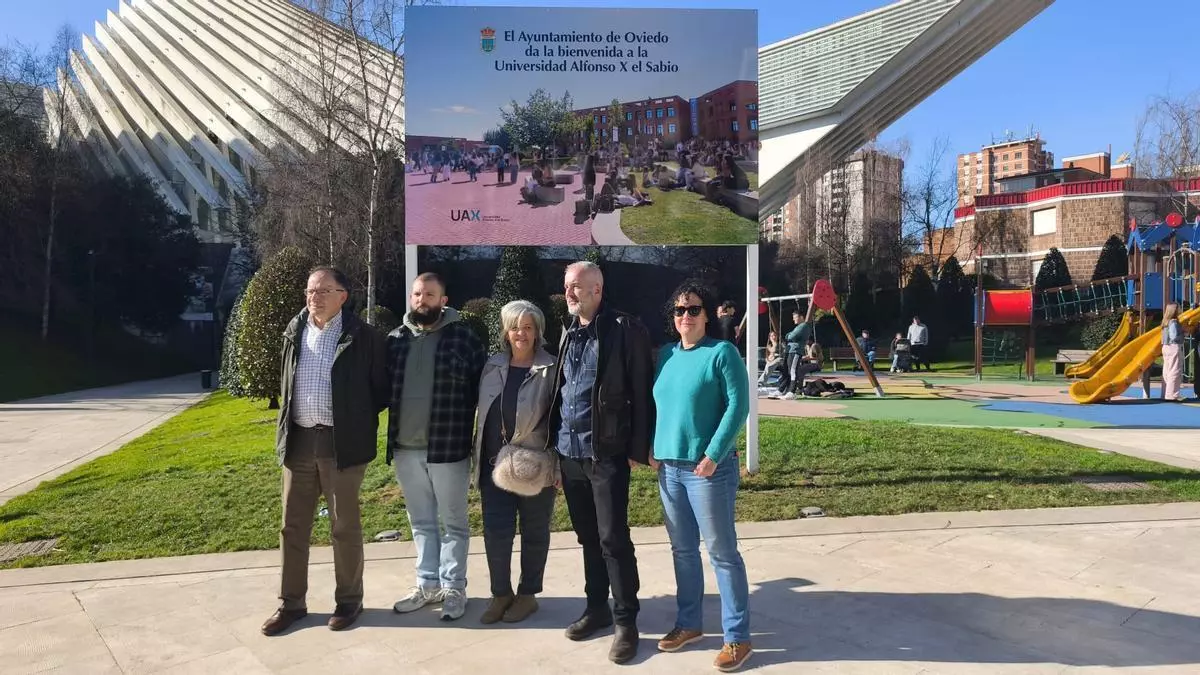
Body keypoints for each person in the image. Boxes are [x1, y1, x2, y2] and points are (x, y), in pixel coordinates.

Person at [262, 267, 388, 636]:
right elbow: (286, 382)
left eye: (322, 290)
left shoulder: (364, 336)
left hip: (341, 443)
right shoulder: (294, 331)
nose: (313, 297)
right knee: (292, 526)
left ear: (342, 296)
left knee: (344, 526)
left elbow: (380, 390)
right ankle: (291, 603)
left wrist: (355, 418)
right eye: (310, 290)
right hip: (298, 441)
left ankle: (349, 601)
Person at [551, 261, 655, 664]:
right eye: (566, 286)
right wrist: (554, 449)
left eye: (576, 286)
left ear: (597, 289)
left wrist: (637, 448)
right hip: (570, 453)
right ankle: (596, 608)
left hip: (606, 453)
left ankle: (626, 621)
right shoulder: (568, 331)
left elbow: (641, 391)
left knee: (613, 539)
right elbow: (561, 392)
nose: (569, 293)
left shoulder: (624, 329)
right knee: (587, 538)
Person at [651, 281, 752, 672]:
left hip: (708, 470)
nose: (686, 316)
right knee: (683, 551)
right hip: (670, 468)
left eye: (694, 309)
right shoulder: (666, 355)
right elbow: (660, 406)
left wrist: (714, 454)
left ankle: (737, 637)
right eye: (679, 310)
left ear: (708, 314)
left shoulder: (722, 353)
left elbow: (738, 406)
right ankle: (689, 623)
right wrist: (652, 446)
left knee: (722, 554)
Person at [387, 273, 488, 622]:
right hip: (405, 448)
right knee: (421, 522)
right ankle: (427, 584)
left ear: (444, 300)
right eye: (417, 294)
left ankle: (454, 587)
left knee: (454, 524)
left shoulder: (465, 339)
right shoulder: (395, 340)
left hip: (449, 447)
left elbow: (481, 392)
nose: (422, 300)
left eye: (429, 294)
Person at [474, 301, 559, 624]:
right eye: (514, 328)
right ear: (505, 332)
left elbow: (561, 420)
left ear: (537, 331)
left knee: (535, 531)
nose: (520, 334)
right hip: (493, 466)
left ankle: (527, 595)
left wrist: (558, 466)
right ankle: (501, 594)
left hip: (535, 466)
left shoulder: (551, 368)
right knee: (496, 532)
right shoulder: (492, 365)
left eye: (527, 327)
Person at [775, 304, 814, 398]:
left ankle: (792, 392)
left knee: (792, 371)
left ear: (801, 317)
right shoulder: (798, 327)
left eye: (795, 317)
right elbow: (789, 336)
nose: (793, 319)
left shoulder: (804, 326)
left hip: (795, 351)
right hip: (789, 351)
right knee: (786, 371)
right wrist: (790, 335)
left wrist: (790, 335)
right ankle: (781, 390)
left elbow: (791, 336)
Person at [1162, 302, 1185, 401]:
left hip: (1165, 347)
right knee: (1174, 371)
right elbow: (1173, 336)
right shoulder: (1174, 322)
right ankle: (1172, 395)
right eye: (1178, 308)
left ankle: (1165, 393)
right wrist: (1183, 334)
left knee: (1167, 370)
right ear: (1175, 311)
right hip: (1173, 347)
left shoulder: (1165, 322)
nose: (1180, 310)